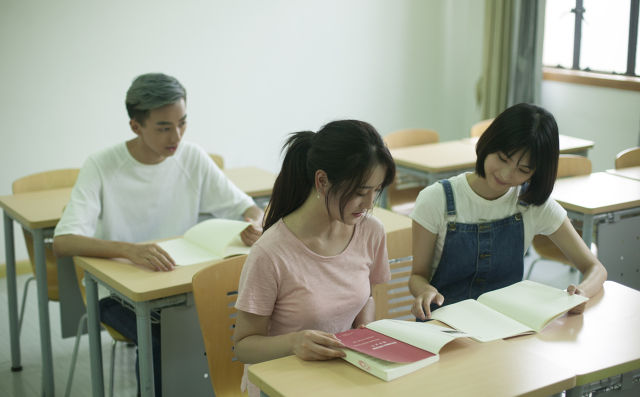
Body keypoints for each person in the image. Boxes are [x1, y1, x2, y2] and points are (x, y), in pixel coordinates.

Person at [53, 72, 263, 396]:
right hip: (115, 292)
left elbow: (247, 207)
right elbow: (64, 242)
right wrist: (131, 250)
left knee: (255, 317)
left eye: (182, 122)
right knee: (163, 337)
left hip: (183, 281)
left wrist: (256, 223)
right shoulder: (102, 165)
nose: (176, 135)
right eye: (164, 127)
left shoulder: (190, 156)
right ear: (135, 126)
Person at [233, 120, 395, 396]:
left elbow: (366, 297)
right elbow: (244, 345)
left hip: (343, 374)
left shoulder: (371, 231)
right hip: (283, 383)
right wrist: (295, 342)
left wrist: (364, 328)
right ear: (322, 180)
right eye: (359, 192)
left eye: (376, 191)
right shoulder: (270, 253)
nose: (368, 205)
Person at [409, 103, 607, 321]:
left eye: (523, 170)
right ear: (489, 143)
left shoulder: (532, 205)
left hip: (506, 324)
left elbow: (595, 268)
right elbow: (417, 277)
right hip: (443, 324)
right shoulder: (437, 200)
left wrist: (582, 292)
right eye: (503, 158)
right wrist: (424, 290)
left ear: (536, 173)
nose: (505, 174)